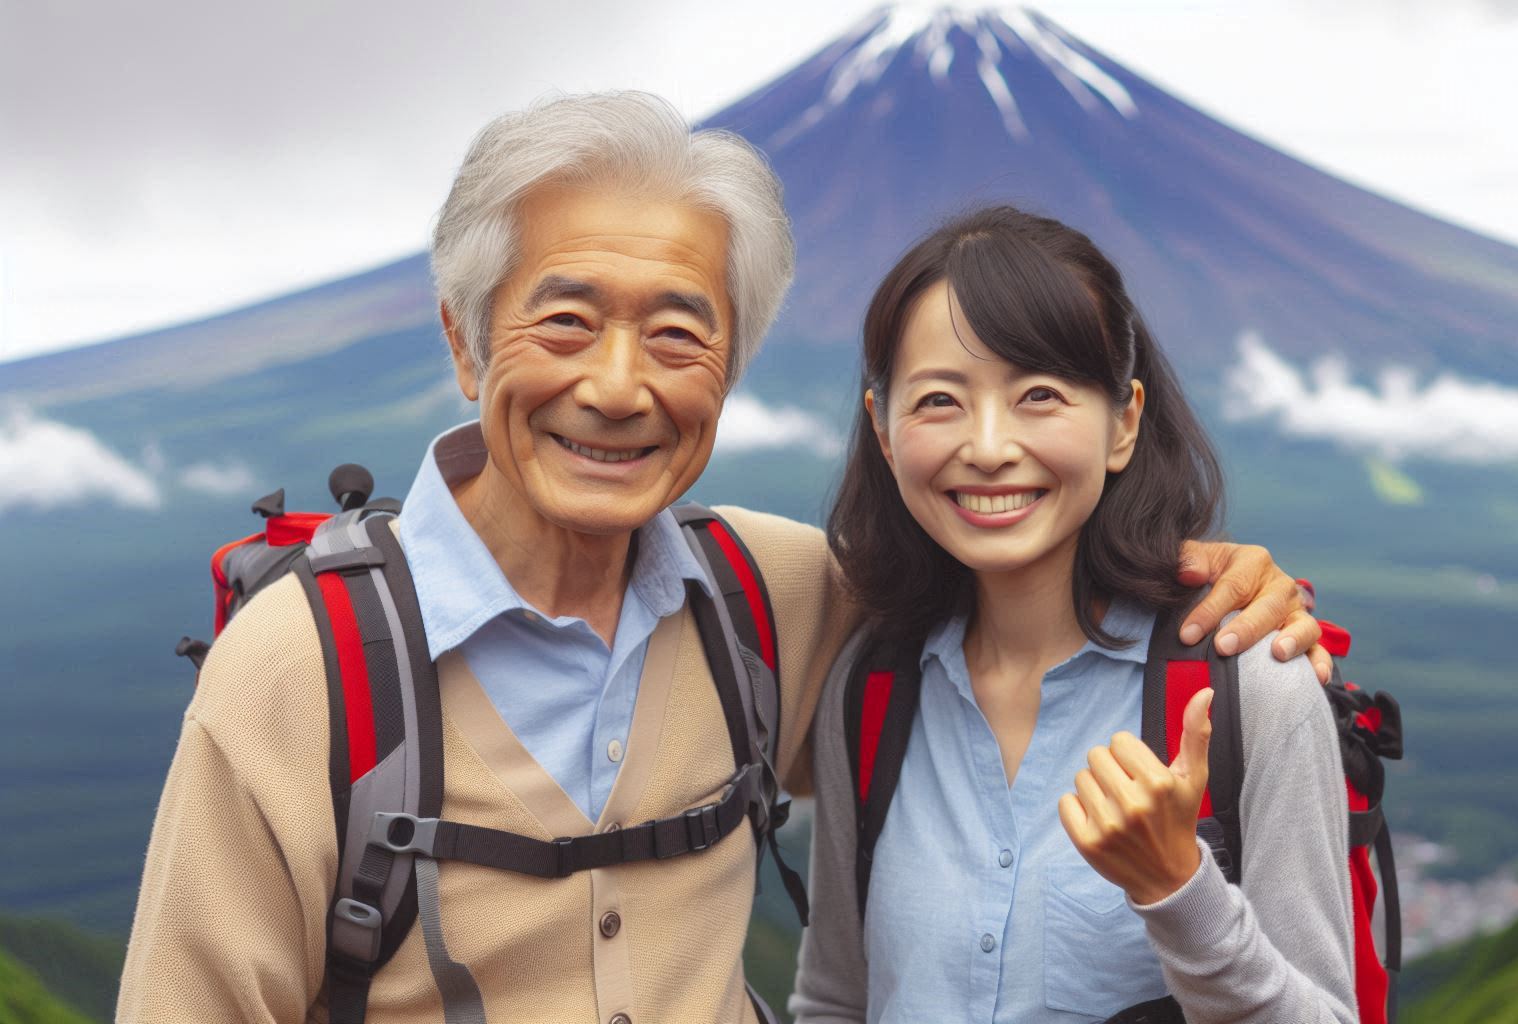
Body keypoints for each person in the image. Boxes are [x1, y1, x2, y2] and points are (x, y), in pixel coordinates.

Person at [117, 95, 1328, 1023]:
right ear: (464, 341)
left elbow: (1009, 568)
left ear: (732, 364)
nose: (616, 384)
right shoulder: (306, 669)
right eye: (566, 319)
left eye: (679, 331)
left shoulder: (771, 599)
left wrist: (1205, 581)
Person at [793, 207, 1356, 1022]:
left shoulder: (1250, 689)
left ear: (1123, 422)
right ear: (884, 432)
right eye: (939, 401)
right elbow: (835, 1001)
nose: (987, 447)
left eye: (1040, 395)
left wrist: (1177, 890)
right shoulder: (872, 687)